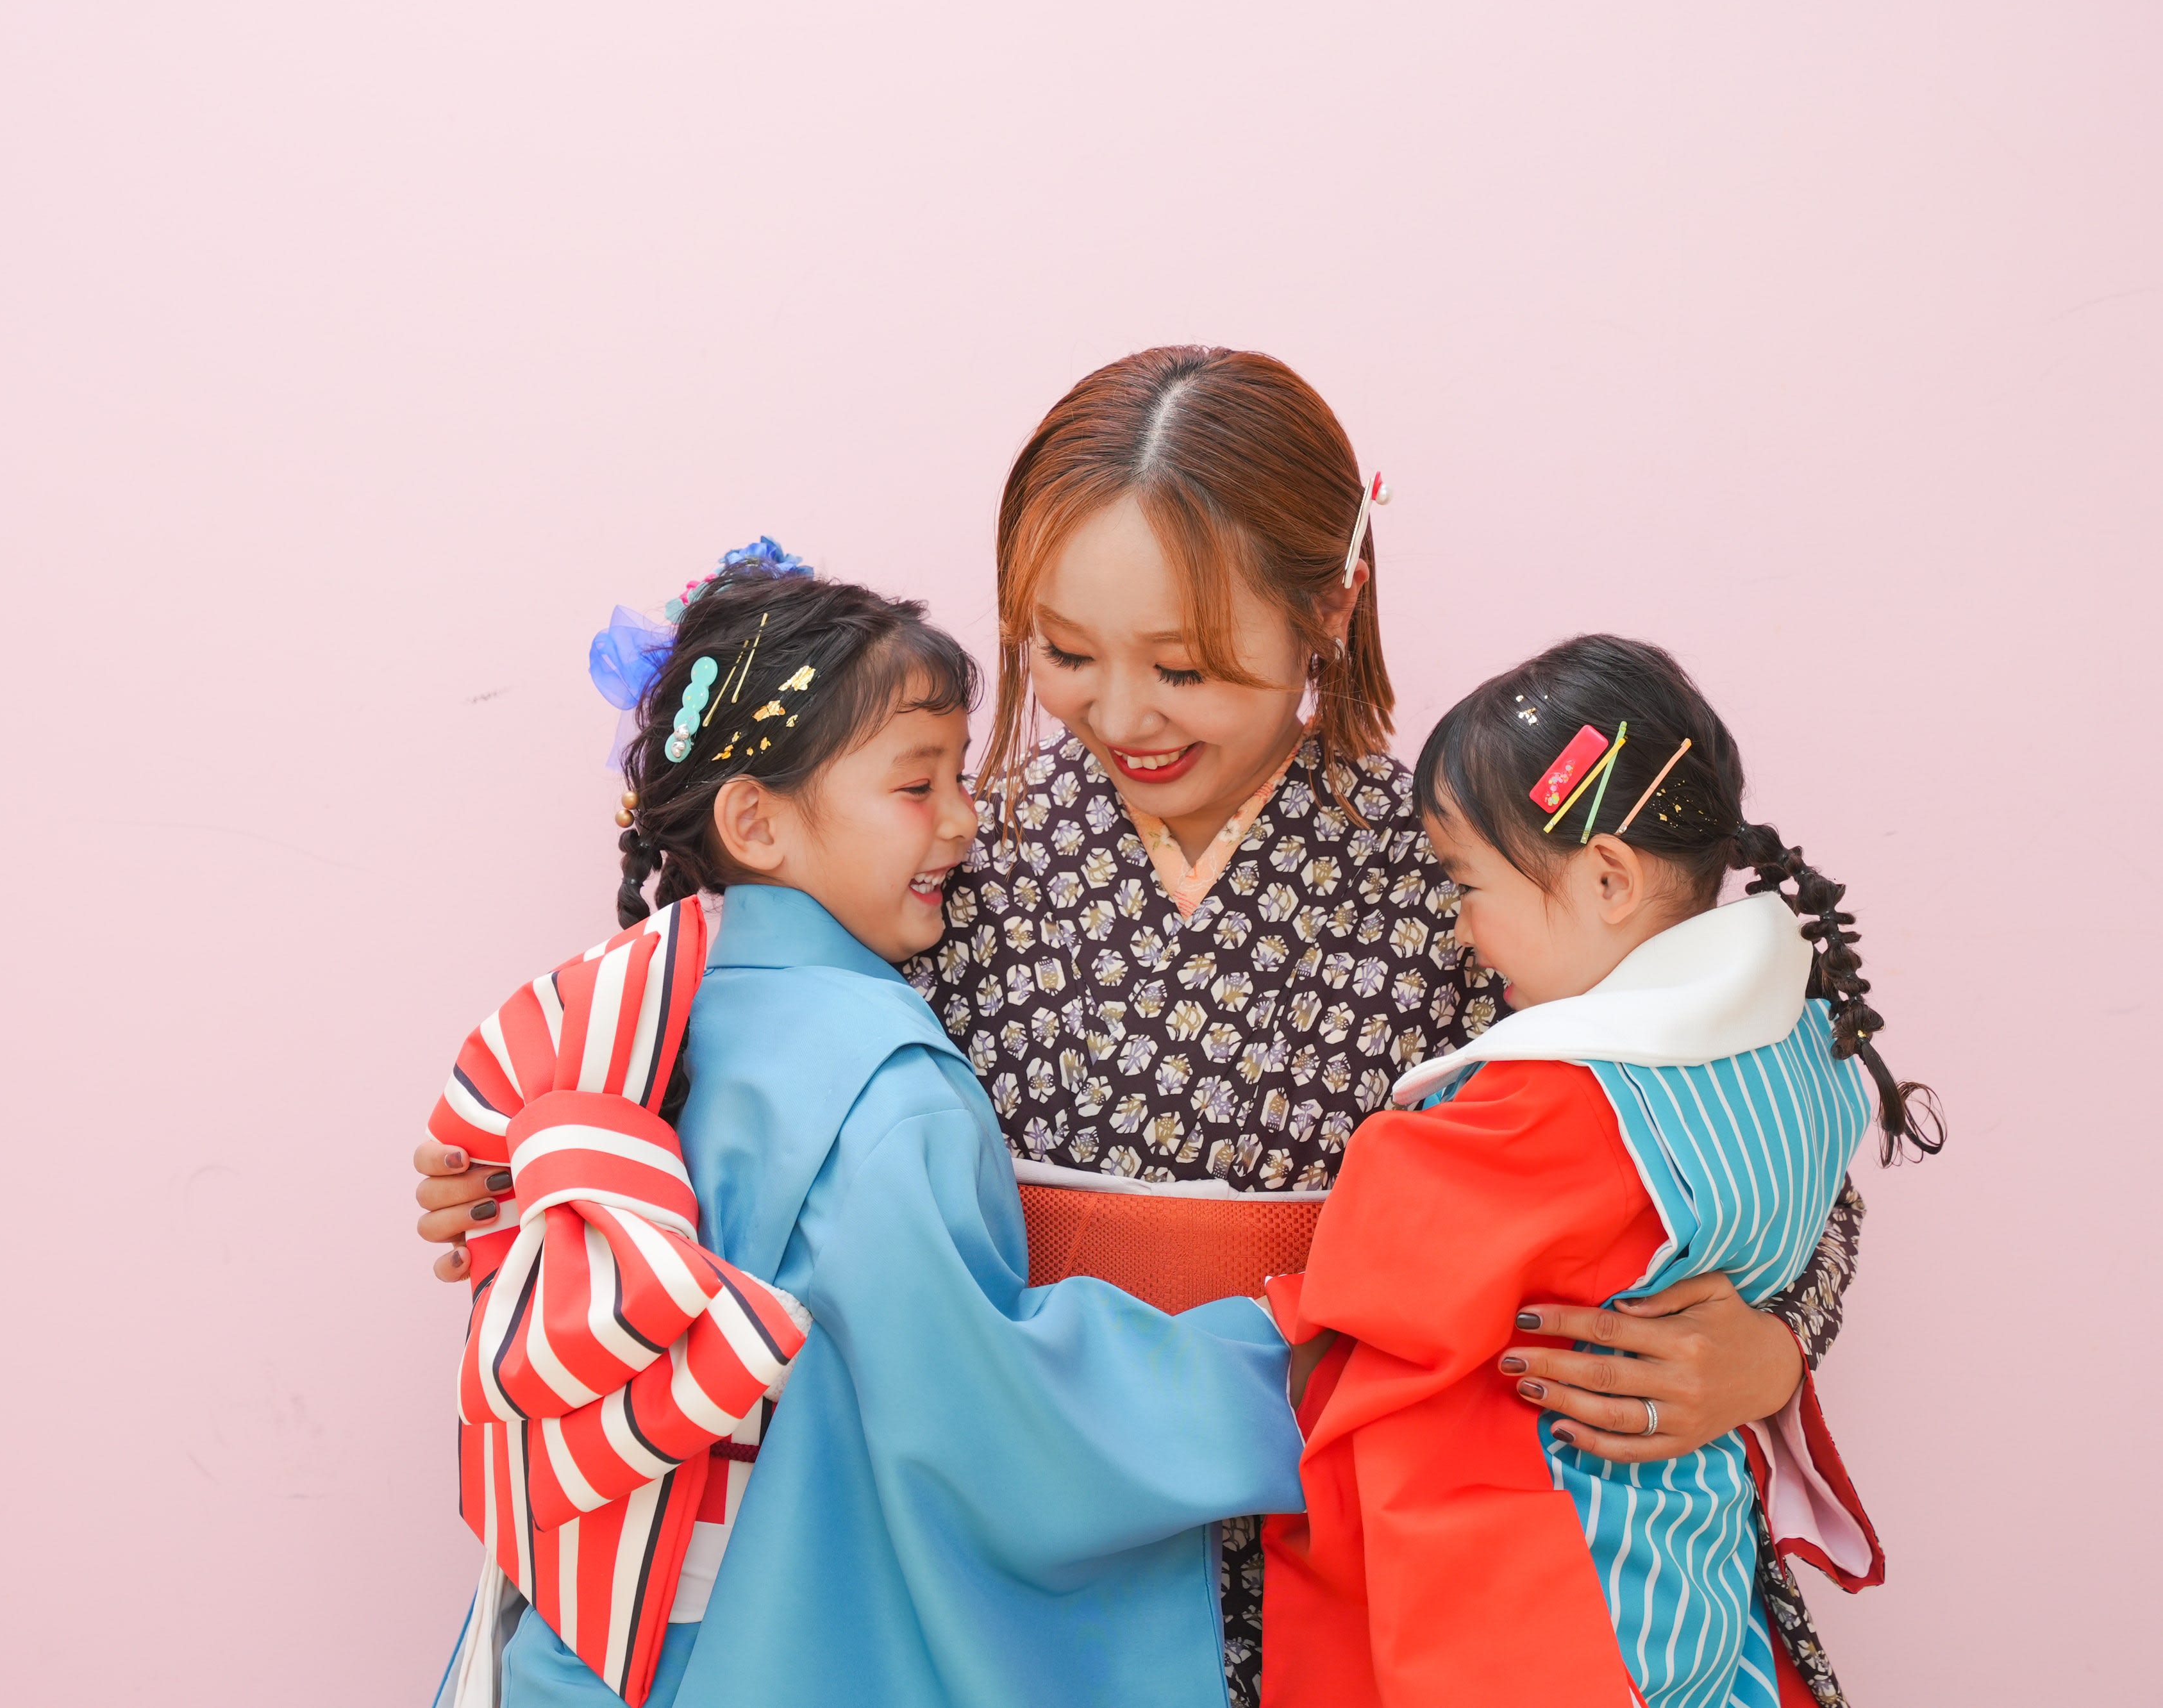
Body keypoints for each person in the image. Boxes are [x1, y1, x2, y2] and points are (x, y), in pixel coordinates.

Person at [419, 348, 1871, 1705]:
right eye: (1063, 652)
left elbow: (1711, 1125)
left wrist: (1769, 1346)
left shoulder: (1474, 864)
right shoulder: (938, 848)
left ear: (1329, 608)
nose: (1122, 716)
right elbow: (757, 1116)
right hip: (999, 1535)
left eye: (1183, 668)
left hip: (1385, 1517)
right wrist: (553, 1166)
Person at [439, 555, 1308, 1708]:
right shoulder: (885, 1089)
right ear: (756, 821)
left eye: (961, 775)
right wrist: (1277, 1366)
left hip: (602, 1620)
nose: (964, 821)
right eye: (917, 786)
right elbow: (986, 1406)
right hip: (753, 1631)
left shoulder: (624, 1024)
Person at [1262, 634, 1939, 1708]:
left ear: (1610, 879)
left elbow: (1389, 1256)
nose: (1460, 929)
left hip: (1557, 1573)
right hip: (1690, 1545)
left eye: (1468, 885)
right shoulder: (1808, 1051)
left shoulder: (1571, 1101)